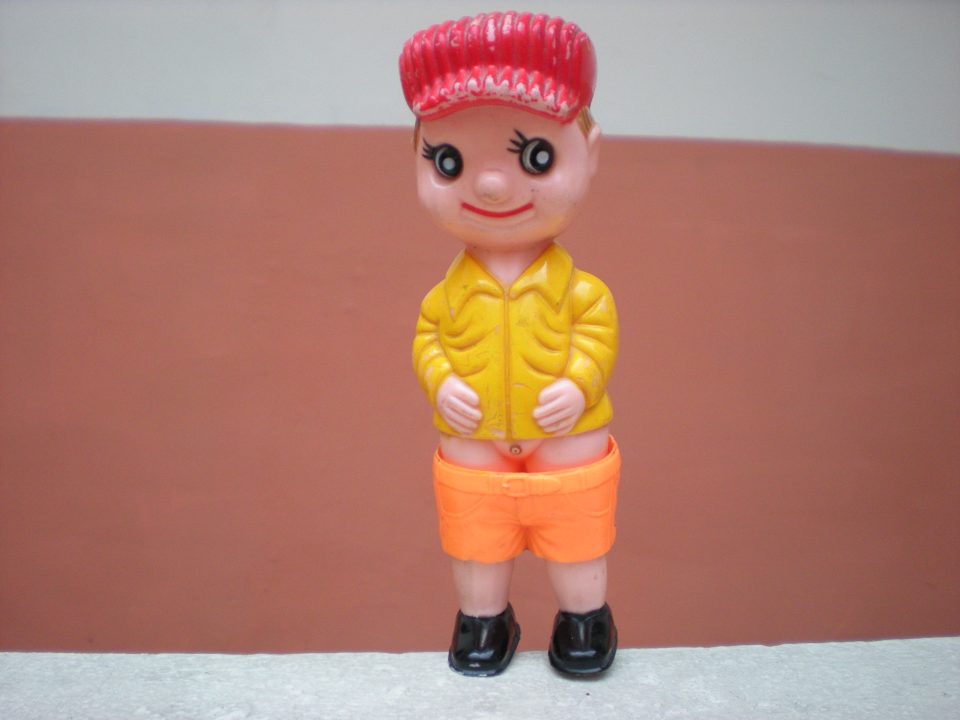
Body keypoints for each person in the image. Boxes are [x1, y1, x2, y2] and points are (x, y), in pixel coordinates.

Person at [400, 11, 620, 676]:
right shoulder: (446, 295)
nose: (492, 185)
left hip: (565, 435)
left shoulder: (581, 291)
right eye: (449, 161)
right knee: (476, 538)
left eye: (535, 156)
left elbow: (597, 336)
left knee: (576, 533)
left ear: (591, 153)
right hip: (475, 440)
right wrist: (441, 382)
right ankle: (482, 620)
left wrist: (578, 383)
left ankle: (584, 618)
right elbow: (428, 341)